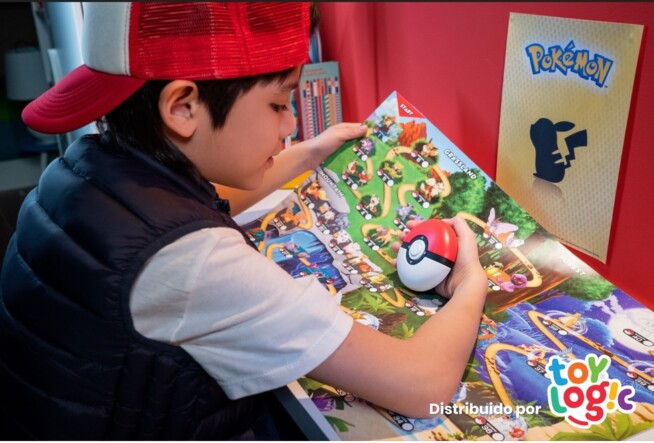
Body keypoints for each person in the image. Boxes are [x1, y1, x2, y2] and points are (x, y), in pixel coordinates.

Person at [0, 2, 487, 440]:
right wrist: (470, 282)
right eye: (278, 104)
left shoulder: (86, 169)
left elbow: (205, 202)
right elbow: (421, 384)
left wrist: (310, 153)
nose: (290, 124)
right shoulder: (194, 261)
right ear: (183, 107)